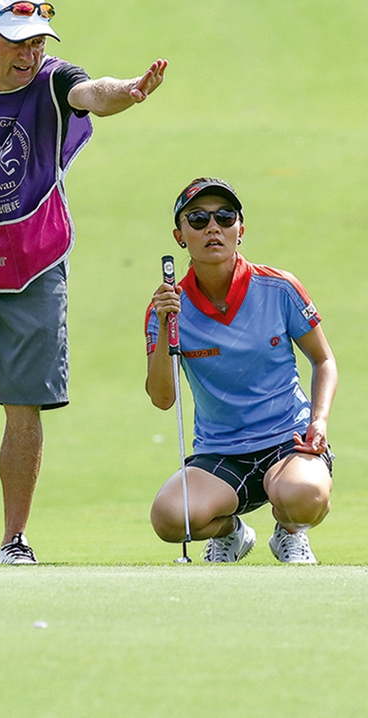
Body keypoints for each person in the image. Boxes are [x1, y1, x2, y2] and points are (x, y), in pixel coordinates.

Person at [0, 0, 166, 565]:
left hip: (37, 260)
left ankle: (13, 540)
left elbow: (94, 94)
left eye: (39, 42)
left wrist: (131, 91)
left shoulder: (54, 79)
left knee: (23, 404)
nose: (30, 55)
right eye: (17, 42)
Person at [144, 178, 338, 564]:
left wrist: (319, 421)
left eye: (225, 217)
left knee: (304, 497)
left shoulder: (279, 288)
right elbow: (163, 399)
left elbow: (324, 361)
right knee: (169, 519)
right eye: (197, 219)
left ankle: (289, 531)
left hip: (288, 440)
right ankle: (233, 533)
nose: (212, 228)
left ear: (240, 230)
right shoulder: (166, 308)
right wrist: (167, 324)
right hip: (222, 452)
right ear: (180, 236)